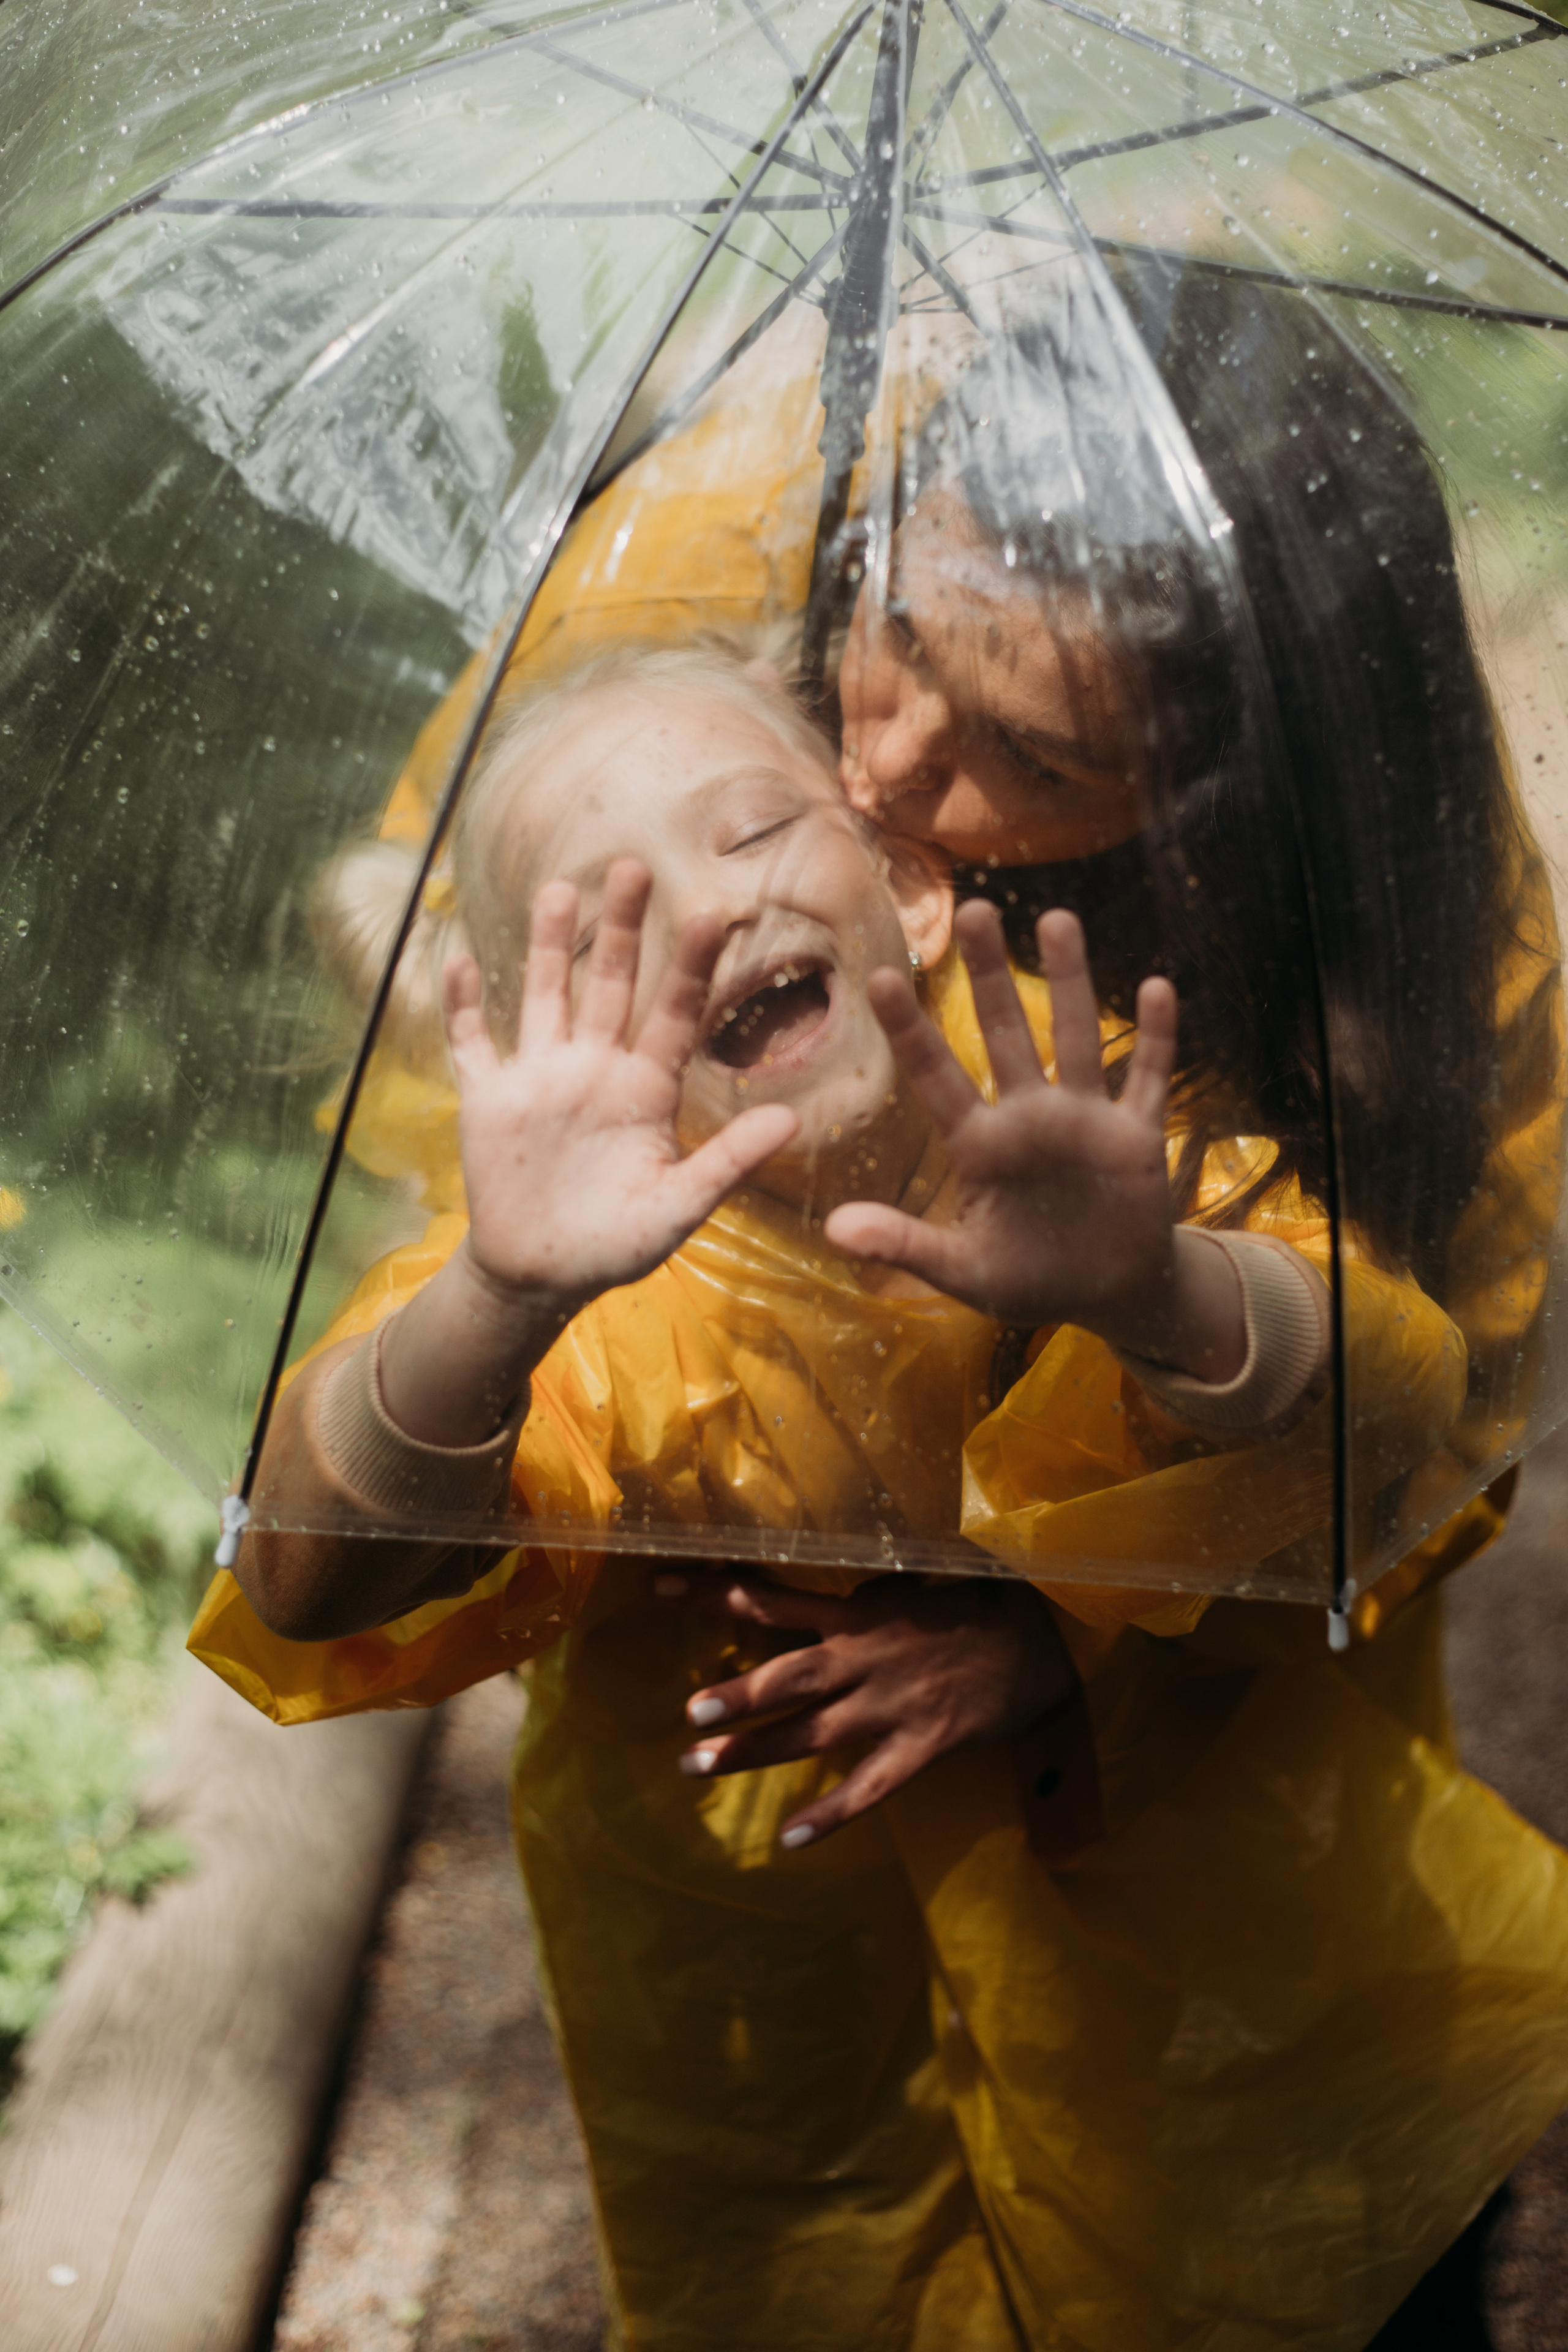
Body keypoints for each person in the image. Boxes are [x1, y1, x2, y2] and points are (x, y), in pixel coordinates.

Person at [191, 636, 1568, 2350]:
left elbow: (1397, 1397)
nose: (703, 911)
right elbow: (308, 1582)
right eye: (611, 910)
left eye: (755, 830)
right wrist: (499, 1294)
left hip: (1204, 1988)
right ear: (543, 1030)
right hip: (790, 2045)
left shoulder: (1082, 1143)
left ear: (906, 881)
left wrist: (1158, 1295)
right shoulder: (592, 1309)